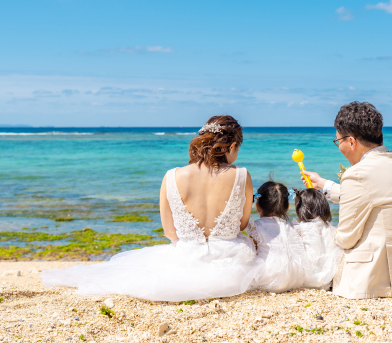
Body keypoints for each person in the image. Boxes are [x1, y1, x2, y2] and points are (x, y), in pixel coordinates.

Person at [41, 115, 258, 301]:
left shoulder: (172, 176)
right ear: (231, 146)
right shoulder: (242, 175)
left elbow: (170, 232)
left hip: (185, 260)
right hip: (232, 263)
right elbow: (242, 224)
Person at [303, 102, 392, 299]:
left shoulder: (358, 174)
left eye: (338, 142)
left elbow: (346, 238)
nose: (339, 148)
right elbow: (373, 195)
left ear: (351, 141)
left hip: (377, 280)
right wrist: (324, 185)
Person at [248, 181, 307, 293]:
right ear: (287, 207)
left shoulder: (256, 226)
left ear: (257, 206)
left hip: (266, 278)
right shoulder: (292, 227)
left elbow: (252, 252)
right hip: (292, 277)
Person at [291, 188, 343, 290]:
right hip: (327, 279)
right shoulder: (330, 228)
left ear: (301, 210)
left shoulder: (298, 228)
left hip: (305, 280)